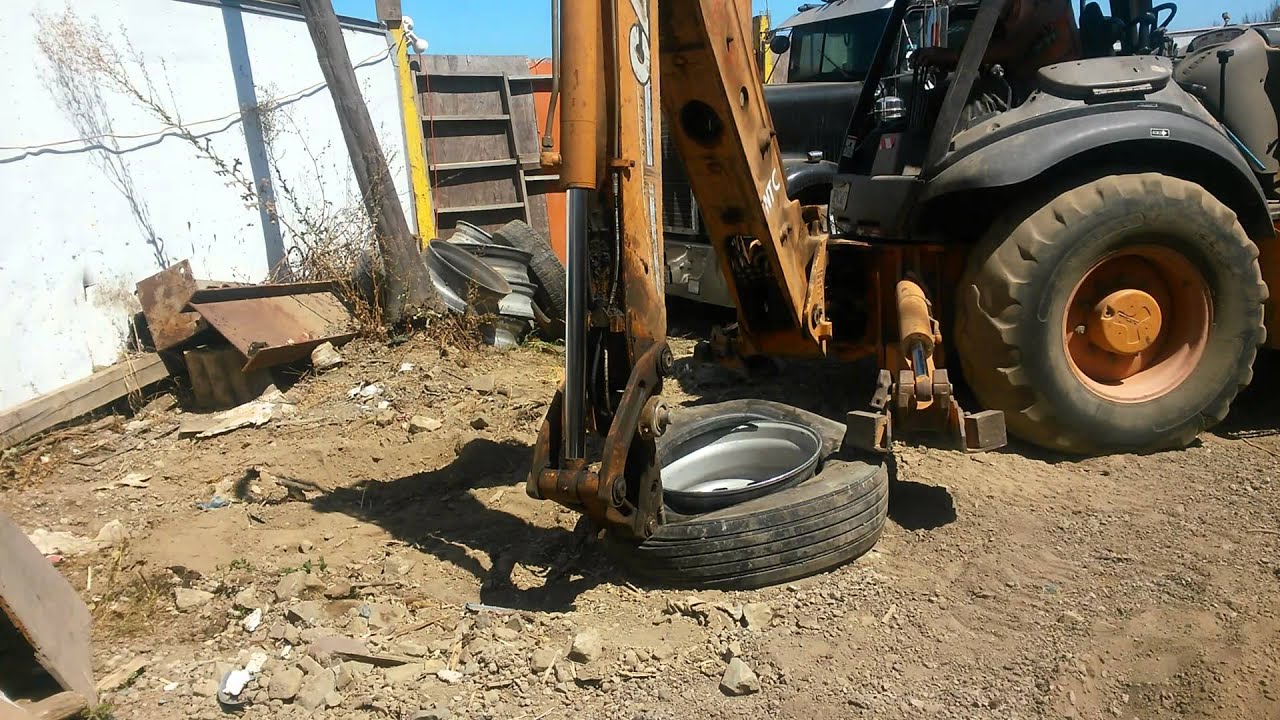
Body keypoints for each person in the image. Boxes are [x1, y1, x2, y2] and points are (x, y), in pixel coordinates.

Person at [910, 0, 1082, 87]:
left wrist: (950, 55)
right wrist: (946, 63)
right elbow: (991, 53)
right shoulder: (1002, 21)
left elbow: (1014, 47)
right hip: (1028, 87)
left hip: (1061, 88)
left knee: (976, 106)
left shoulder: (1042, 5)